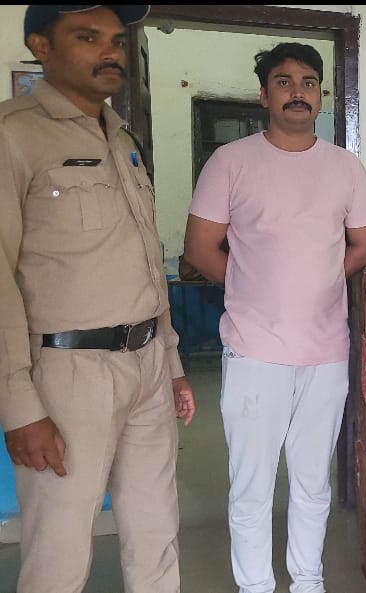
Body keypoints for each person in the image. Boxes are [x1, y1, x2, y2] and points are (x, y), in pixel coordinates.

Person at [0, 5, 196, 593]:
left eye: (115, 39)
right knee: (59, 548)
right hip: (69, 373)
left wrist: (172, 363)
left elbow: (147, 260)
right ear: (41, 45)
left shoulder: (122, 137)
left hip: (148, 363)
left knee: (156, 532)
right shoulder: (15, 135)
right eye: (87, 37)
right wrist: (19, 407)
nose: (109, 51)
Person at [183, 42, 366, 593]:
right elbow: (199, 248)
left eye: (309, 82)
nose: (298, 92)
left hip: (325, 351)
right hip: (254, 351)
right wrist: (252, 287)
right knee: (252, 486)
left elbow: (365, 245)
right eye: (285, 82)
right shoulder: (231, 162)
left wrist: (322, 278)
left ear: (321, 94)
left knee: (313, 483)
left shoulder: (345, 167)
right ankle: (255, 586)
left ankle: (308, 581)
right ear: (264, 95)